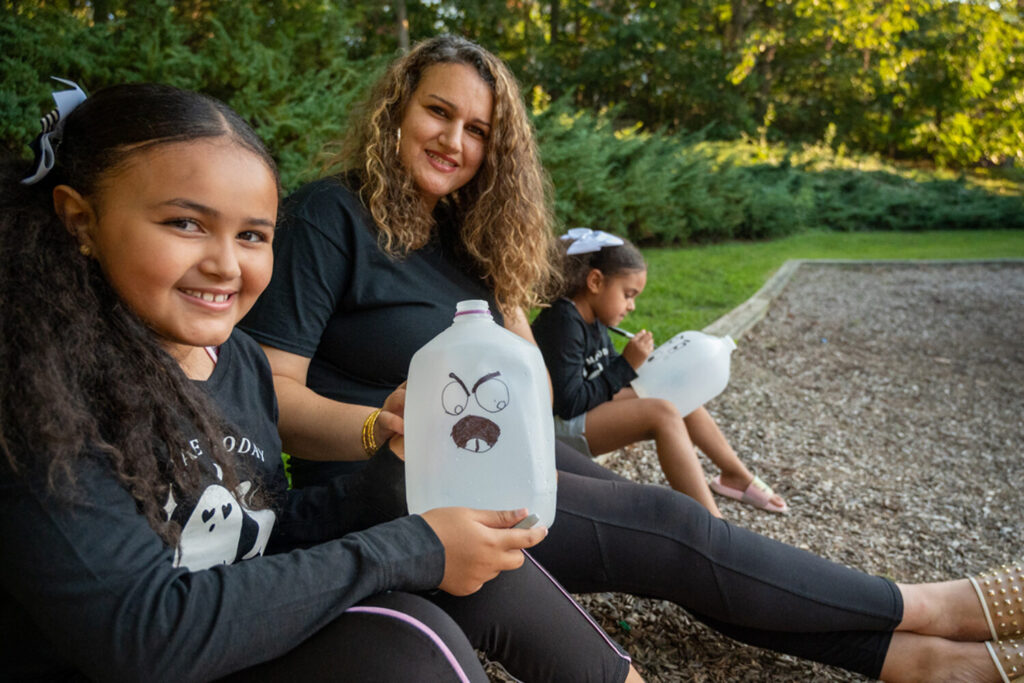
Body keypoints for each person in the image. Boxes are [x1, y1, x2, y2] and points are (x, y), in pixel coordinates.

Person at [240, 34, 1022, 682]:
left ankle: (915, 659)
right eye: (438, 112)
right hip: (394, 487)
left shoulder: (464, 238)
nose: (455, 140)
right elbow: (275, 398)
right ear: (396, 112)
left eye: (478, 129)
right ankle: (927, 608)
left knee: (675, 537)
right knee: (665, 525)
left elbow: (534, 386)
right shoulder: (328, 218)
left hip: (509, 454)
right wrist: (381, 425)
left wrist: (504, 289)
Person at [0, 80, 641, 683]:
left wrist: (388, 482)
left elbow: (260, 532)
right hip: (147, 655)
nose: (226, 264)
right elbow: (142, 634)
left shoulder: (241, 364)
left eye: (252, 235)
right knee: (408, 647)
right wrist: (406, 547)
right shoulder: (39, 388)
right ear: (81, 220)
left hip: (220, 635)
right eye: (185, 223)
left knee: (483, 570)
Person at [531, 230, 787, 517]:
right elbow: (569, 402)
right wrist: (626, 365)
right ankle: (713, 526)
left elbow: (604, 376)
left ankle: (735, 475)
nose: (632, 306)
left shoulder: (592, 318)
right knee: (663, 412)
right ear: (595, 281)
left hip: (585, 411)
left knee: (674, 394)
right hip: (558, 430)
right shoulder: (563, 321)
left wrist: (654, 367)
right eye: (628, 295)